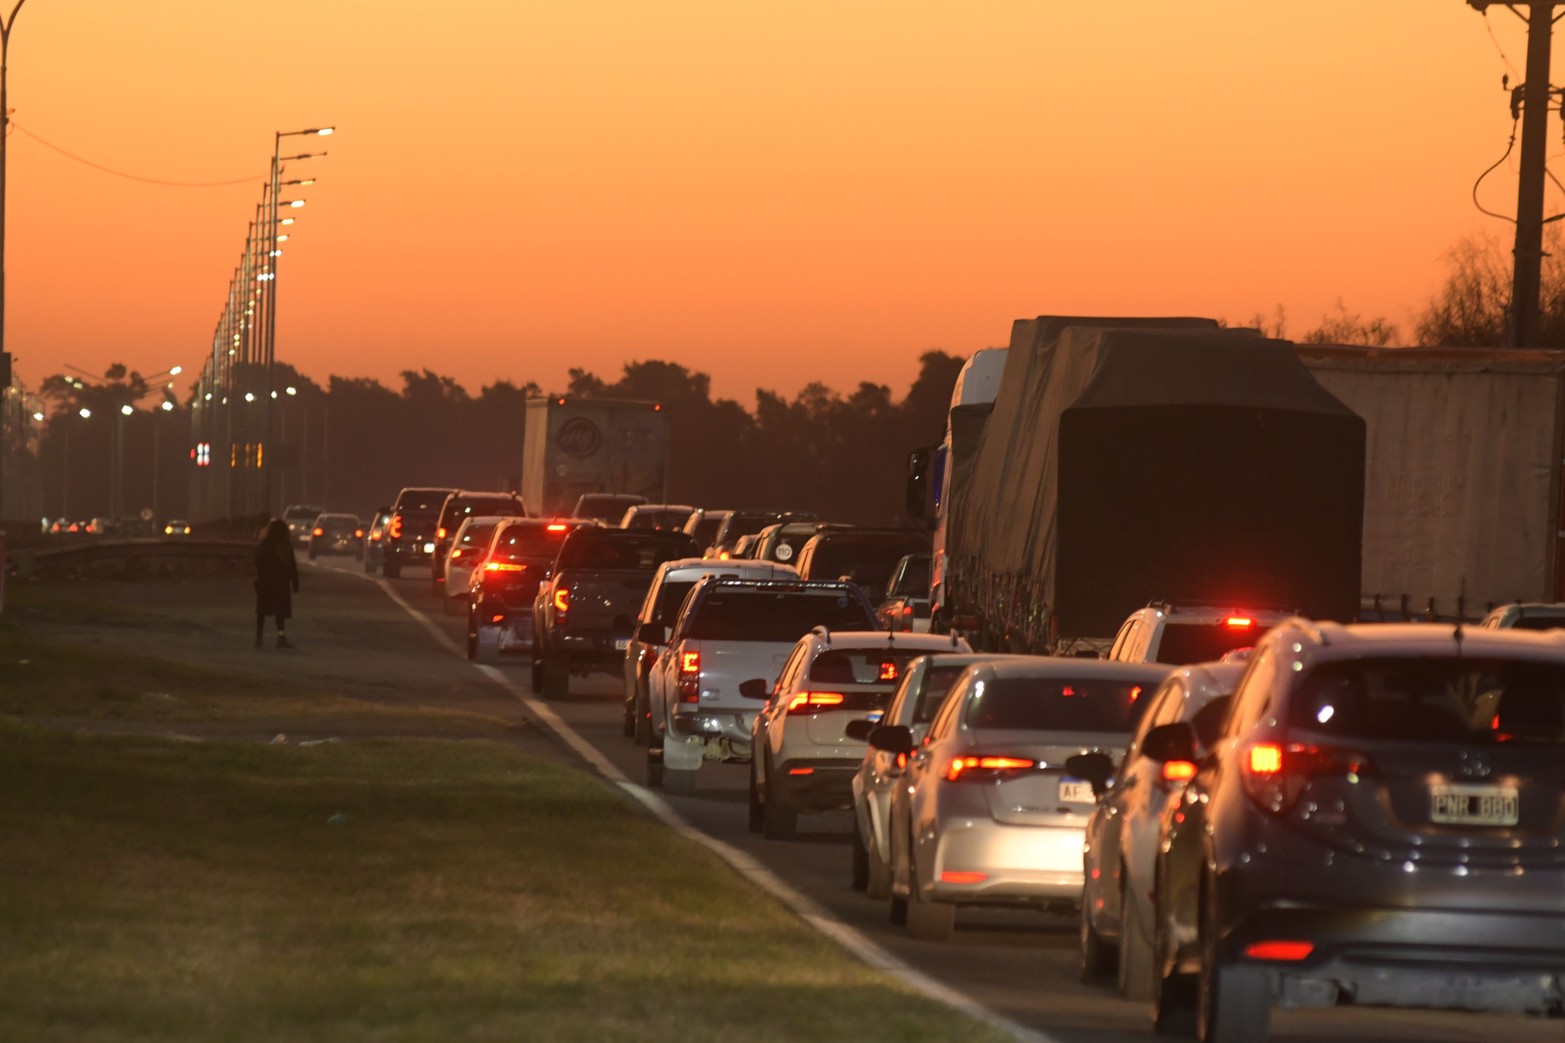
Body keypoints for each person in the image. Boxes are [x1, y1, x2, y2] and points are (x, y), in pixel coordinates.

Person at [255, 518, 300, 648]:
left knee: (262, 610)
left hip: (265, 581)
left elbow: (258, 561)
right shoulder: (285, 545)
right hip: (281, 582)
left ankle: (259, 637)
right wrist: (295, 582)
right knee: (281, 610)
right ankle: (280, 637)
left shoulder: (264, 544)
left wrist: (261, 575)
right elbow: (292, 565)